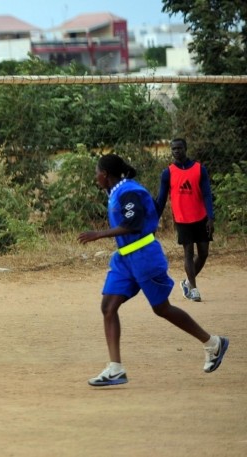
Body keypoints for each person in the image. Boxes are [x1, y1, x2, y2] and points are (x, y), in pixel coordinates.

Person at [78, 154, 228, 387]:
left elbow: (134, 223)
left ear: (105, 174)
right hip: (125, 259)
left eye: (97, 172)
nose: (95, 176)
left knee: (162, 308)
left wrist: (98, 234)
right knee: (108, 307)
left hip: (145, 256)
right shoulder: (115, 190)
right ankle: (115, 369)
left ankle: (212, 343)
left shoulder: (129, 191)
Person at [154, 138, 215, 302]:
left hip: (201, 217)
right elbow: (161, 200)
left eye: (179, 148)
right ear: (171, 151)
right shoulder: (168, 173)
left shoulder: (199, 169)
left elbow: (207, 194)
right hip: (182, 219)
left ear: (185, 148)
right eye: (173, 149)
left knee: (203, 254)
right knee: (188, 253)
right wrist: (154, 221)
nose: (176, 151)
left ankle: (187, 283)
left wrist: (211, 217)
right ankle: (194, 289)